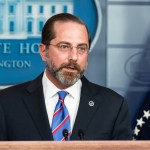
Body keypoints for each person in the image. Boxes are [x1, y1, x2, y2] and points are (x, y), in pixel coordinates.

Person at [0, 13, 132, 141]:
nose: (74, 57)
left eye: (81, 48)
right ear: (43, 51)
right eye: (64, 46)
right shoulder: (6, 103)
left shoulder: (113, 106)